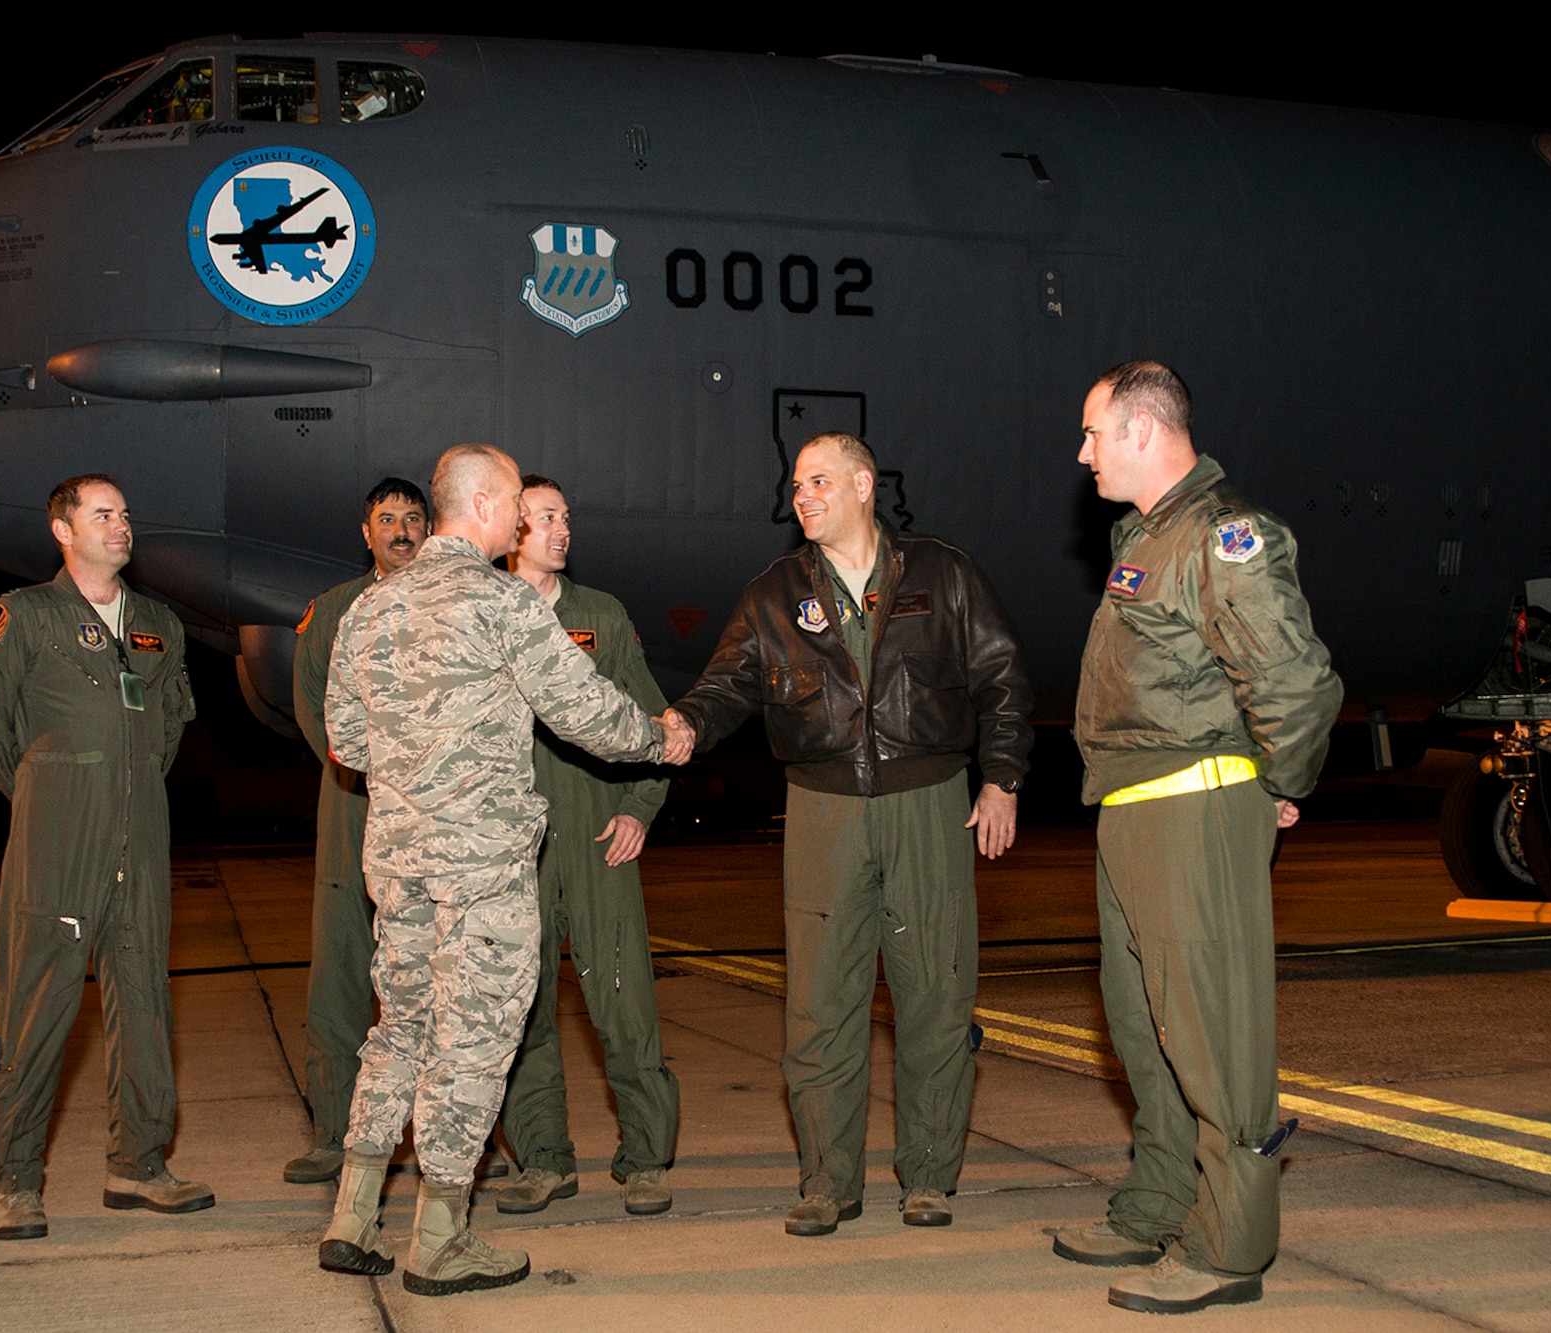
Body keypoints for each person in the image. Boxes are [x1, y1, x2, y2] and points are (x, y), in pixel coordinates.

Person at [315, 445, 692, 1296]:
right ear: (482, 505)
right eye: (518, 505)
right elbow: (581, 708)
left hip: (399, 861)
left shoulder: (369, 609)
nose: (525, 520)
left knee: (400, 1029)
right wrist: (656, 738)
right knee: (473, 1041)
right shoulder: (502, 601)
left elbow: (346, 739)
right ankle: (441, 1238)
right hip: (481, 866)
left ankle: (352, 1215)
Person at [666, 432, 1034, 1237]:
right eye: (797, 484)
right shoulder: (773, 592)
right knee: (821, 1001)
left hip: (930, 801)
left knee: (935, 992)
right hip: (824, 810)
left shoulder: (943, 572)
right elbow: (727, 682)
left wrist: (1001, 778)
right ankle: (828, 1181)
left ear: (865, 485)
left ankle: (930, 1176)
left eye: (820, 480)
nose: (803, 495)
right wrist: (686, 722)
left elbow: (1002, 677)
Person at [1057, 361, 1341, 1314]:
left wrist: (1283, 786)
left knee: (1213, 1036)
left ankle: (1229, 1244)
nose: (1083, 451)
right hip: (1134, 809)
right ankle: (1160, 1201)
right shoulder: (1148, 535)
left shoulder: (1224, 536)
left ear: (1144, 431)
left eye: (1094, 432)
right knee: (1143, 1025)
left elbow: (1294, 679)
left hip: (1192, 806)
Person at [0, 474, 213, 1242]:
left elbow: (169, 725)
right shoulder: (23, 616)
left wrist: (127, 787)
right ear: (63, 529)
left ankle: (138, 1164)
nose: (122, 525)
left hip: (143, 835)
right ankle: (18, 1178)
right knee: (39, 1006)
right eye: (104, 514)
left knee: (143, 1001)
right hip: (59, 840)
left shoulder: (159, 623)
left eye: (126, 514)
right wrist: (51, 789)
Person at [493, 476, 680, 1218]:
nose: (562, 528)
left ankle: (646, 1157)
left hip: (599, 836)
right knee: (521, 1010)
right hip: (515, 850)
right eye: (545, 517)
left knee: (625, 1003)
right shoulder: (487, 616)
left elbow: (653, 718)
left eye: (566, 515)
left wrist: (640, 805)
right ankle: (543, 1159)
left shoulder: (601, 614)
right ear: (511, 530)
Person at [282, 477, 431, 1185]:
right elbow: (313, 708)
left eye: (412, 517)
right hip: (353, 808)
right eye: (386, 519)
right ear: (364, 531)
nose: (400, 530)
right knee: (340, 973)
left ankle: (446, 1135)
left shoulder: (453, 604)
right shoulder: (334, 611)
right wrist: (374, 774)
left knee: (439, 980)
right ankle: (332, 1131)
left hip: (436, 821)